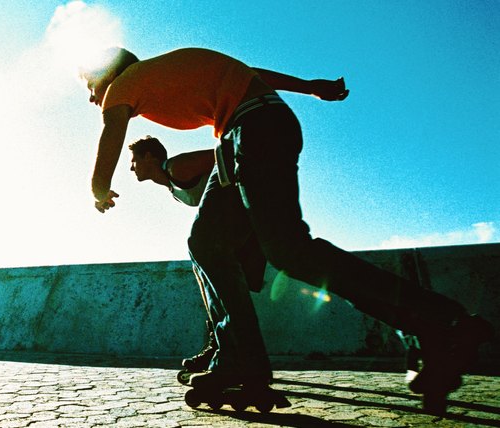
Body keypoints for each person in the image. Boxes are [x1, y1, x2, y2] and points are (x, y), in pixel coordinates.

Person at [81, 47, 493, 414]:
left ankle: (441, 321)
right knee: (208, 243)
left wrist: (99, 186)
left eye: (89, 83)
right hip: (248, 130)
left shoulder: (123, 85)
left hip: (252, 130)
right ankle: (241, 358)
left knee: (289, 250)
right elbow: (251, 72)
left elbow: (111, 131)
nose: (91, 96)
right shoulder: (173, 69)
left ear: (109, 72)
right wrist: (309, 87)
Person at [127, 136, 268, 377]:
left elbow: (231, 153)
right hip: (238, 221)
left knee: (204, 256)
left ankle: (239, 359)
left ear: (149, 156)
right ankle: (221, 349)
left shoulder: (177, 167)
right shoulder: (173, 186)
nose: (131, 167)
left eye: (134, 160)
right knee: (210, 278)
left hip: (250, 212)